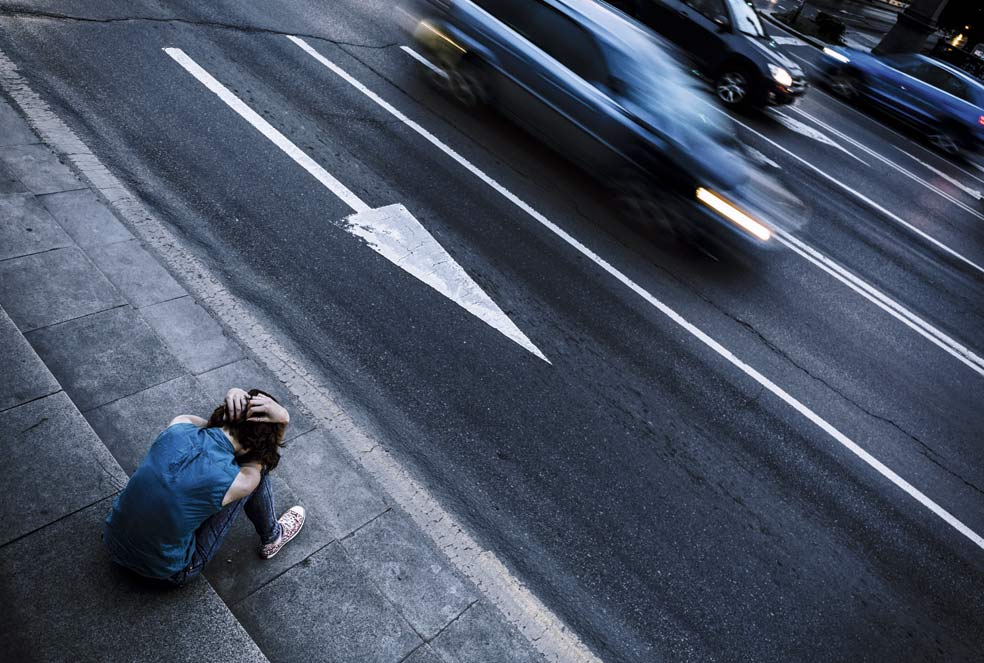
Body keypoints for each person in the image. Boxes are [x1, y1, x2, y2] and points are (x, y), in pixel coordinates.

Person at [103, 387, 305, 585]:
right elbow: (263, 459)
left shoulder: (180, 424)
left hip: (112, 541)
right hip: (167, 571)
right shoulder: (243, 481)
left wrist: (232, 396)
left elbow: (208, 427)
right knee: (257, 474)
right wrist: (283, 419)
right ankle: (273, 536)